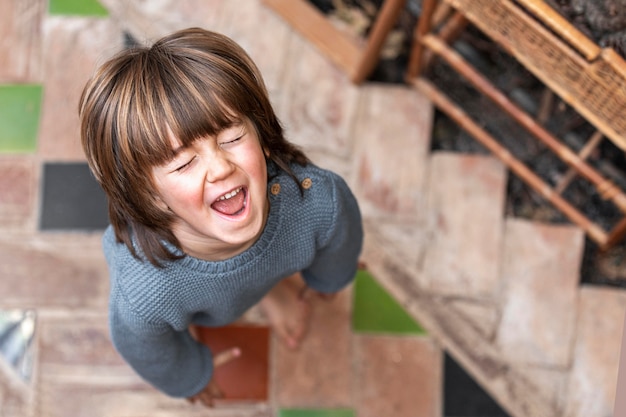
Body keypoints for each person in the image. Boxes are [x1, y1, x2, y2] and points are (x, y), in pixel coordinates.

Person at [78, 27, 363, 407]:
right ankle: (267, 287)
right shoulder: (146, 291)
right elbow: (146, 347)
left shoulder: (316, 201)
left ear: (261, 133)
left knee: (265, 265)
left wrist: (330, 277)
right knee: (216, 294)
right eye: (183, 163)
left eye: (231, 138)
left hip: (266, 270)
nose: (220, 167)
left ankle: (272, 288)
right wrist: (189, 377)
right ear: (148, 195)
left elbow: (341, 236)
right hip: (197, 301)